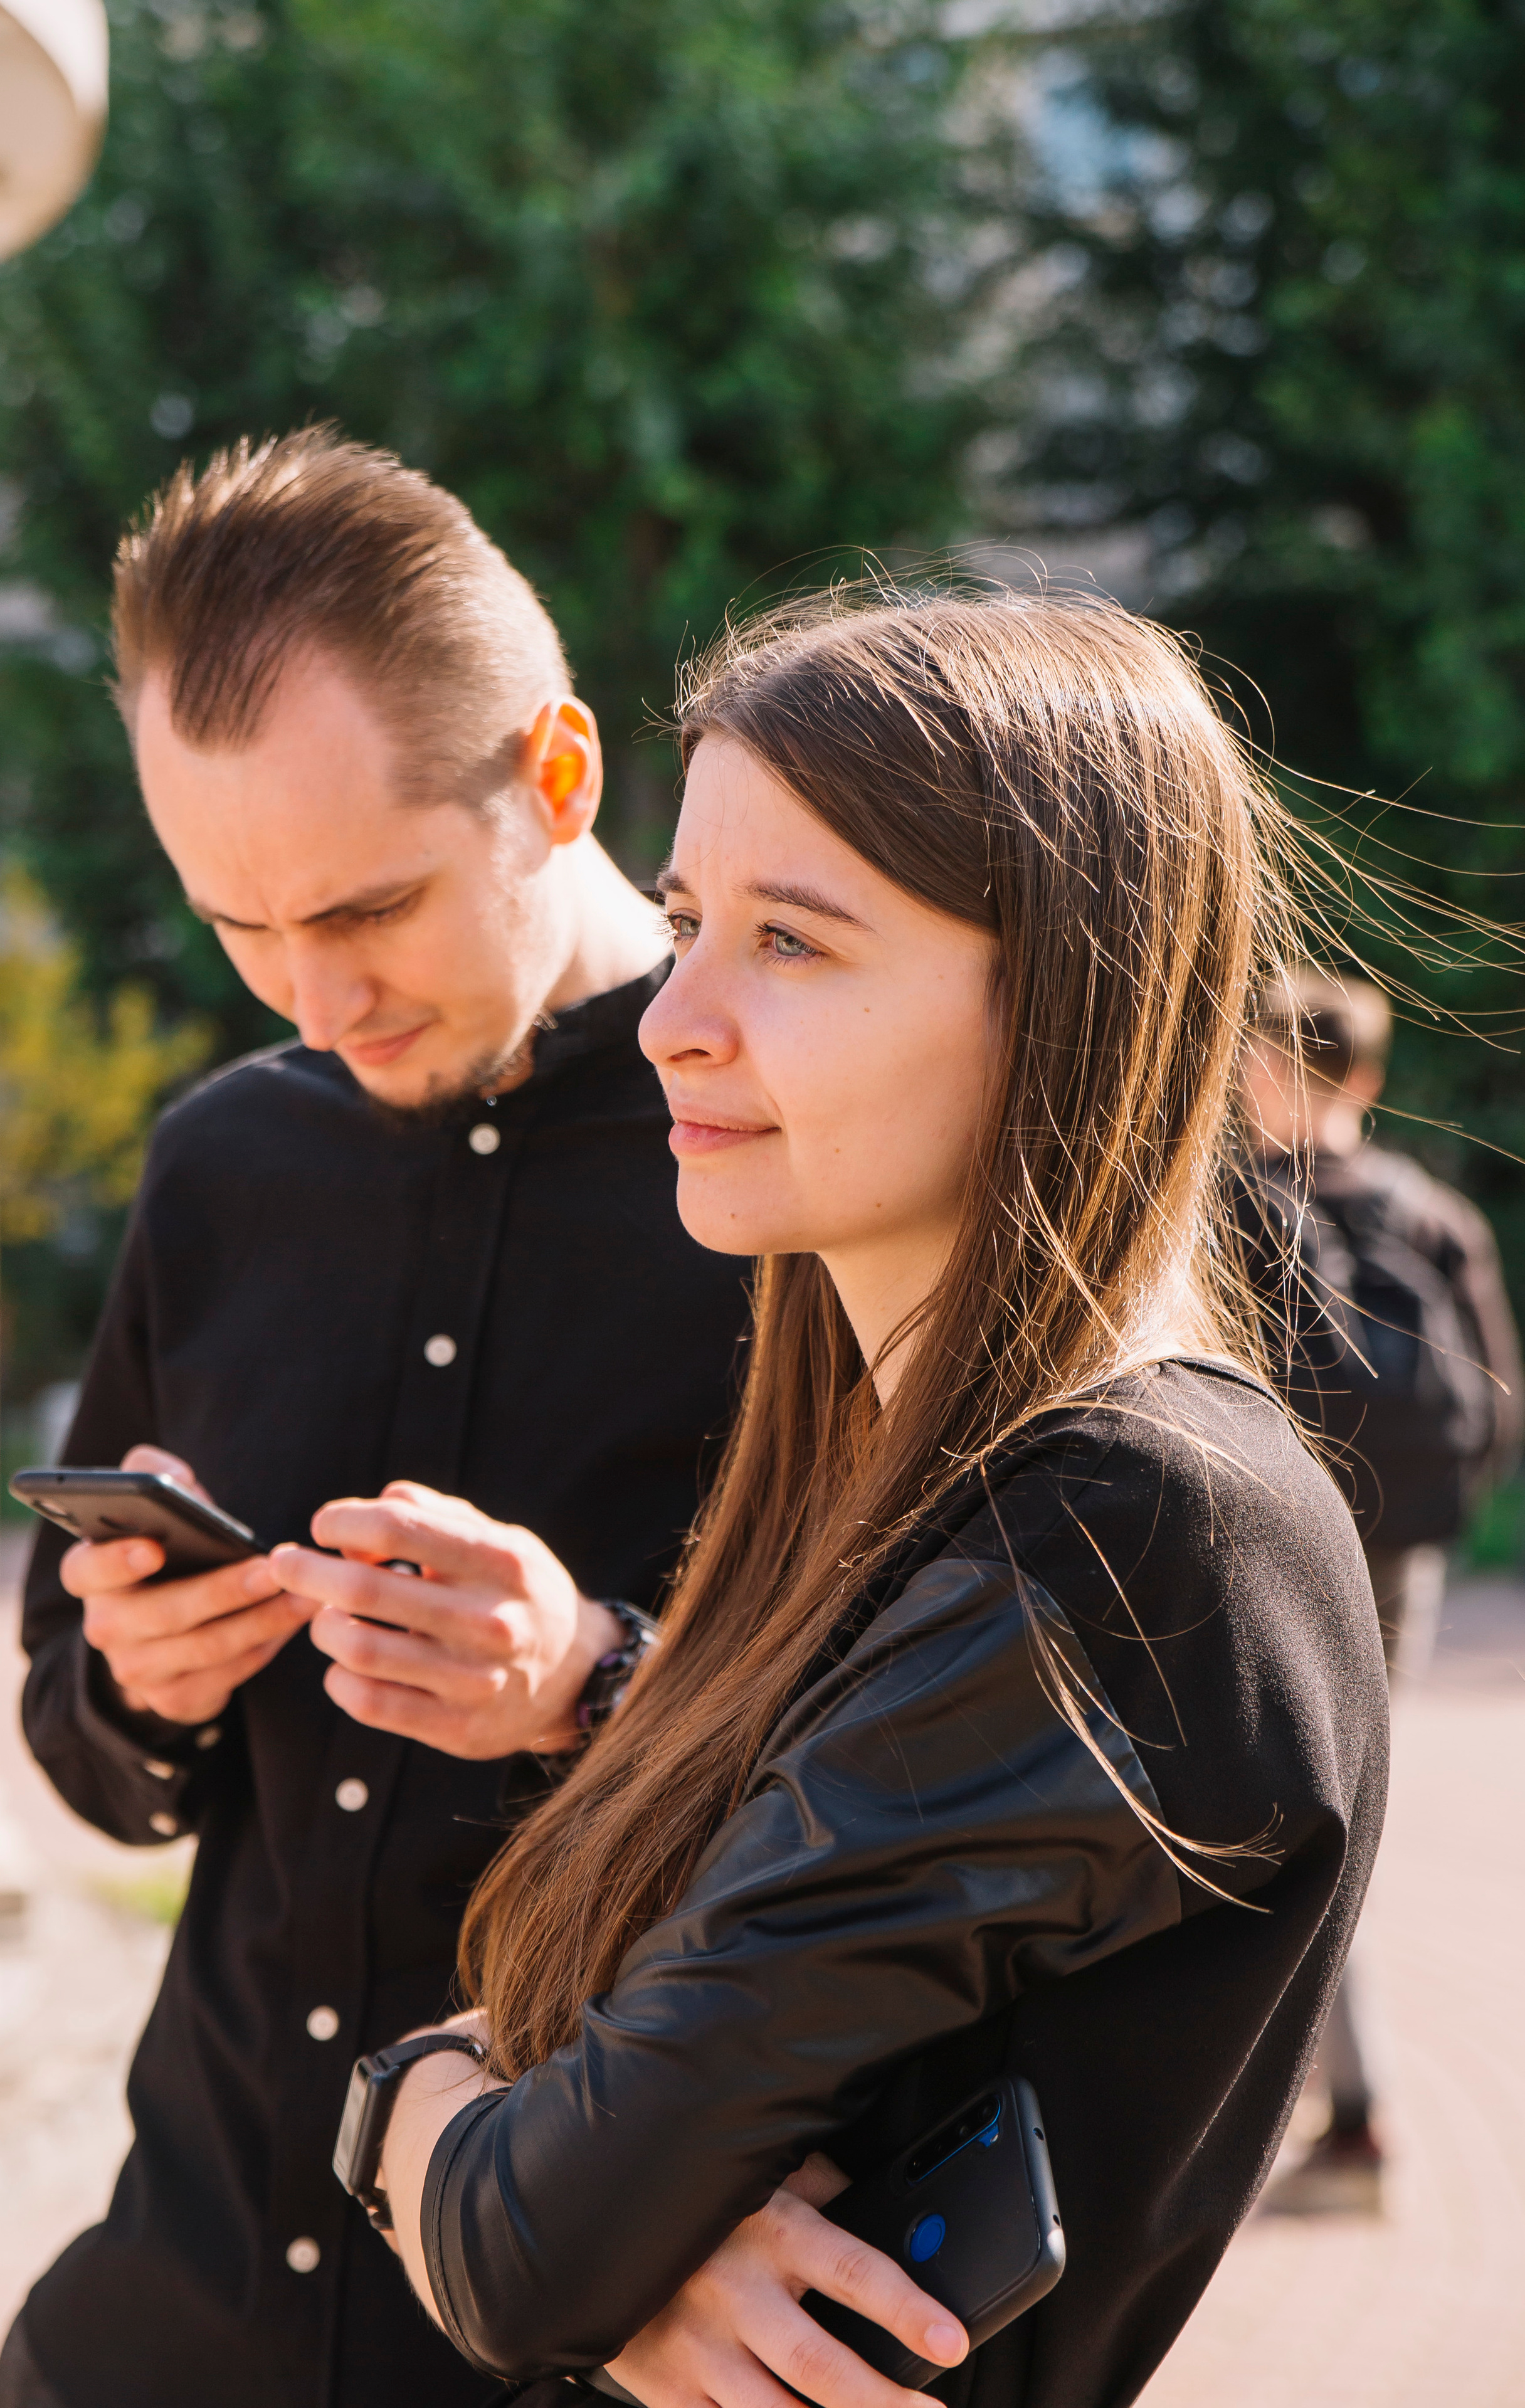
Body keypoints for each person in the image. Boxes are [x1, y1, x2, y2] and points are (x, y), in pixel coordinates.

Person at [277, 588, 1391, 2408]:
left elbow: (536, 2250)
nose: (669, 1020)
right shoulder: (903, 1464)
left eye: (791, 940)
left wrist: (411, 2102)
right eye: (688, 918)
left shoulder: (1132, 1525)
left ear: (1067, 998)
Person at [0, 430, 754, 2408]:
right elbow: (82, 1760)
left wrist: (602, 1680)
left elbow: (947, 1788)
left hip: (583, 2335)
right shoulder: (221, 1164)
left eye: (367, 910)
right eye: (243, 927)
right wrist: (137, 1681)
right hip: (175, 2299)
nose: (312, 1001)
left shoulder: (789, 1170)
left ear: (560, 780)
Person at [1241, 967, 1522, 2212]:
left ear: (1258, 1062)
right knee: (1345, 1804)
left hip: (1270, 1552)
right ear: (1366, 1076)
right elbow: (1493, 1397)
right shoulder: (1432, 1211)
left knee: (1298, 1817)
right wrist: (1433, 1524)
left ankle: (1353, 2118)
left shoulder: (1235, 1206)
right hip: (1398, 1553)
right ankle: (1347, 2114)